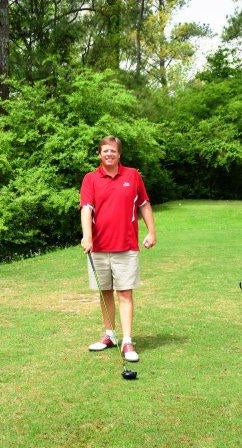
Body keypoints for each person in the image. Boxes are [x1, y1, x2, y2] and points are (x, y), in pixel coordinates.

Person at [80, 135, 156, 362]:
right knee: (105, 293)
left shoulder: (132, 176)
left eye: (113, 151)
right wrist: (87, 236)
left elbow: (144, 204)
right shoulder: (91, 178)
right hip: (99, 247)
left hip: (126, 246)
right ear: (99, 154)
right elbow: (86, 208)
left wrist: (151, 232)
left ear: (119, 154)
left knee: (124, 293)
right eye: (105, 151)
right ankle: (109, 335)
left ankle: (127, 341)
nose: (109, 154)